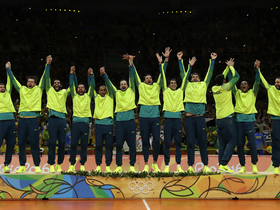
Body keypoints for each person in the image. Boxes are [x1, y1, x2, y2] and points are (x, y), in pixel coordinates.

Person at [130, 47, 171, 172]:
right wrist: (131, 63)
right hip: (143, 116)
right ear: (144, 80)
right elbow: (135, 75)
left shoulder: (157, 86)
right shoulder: (141, 86)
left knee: (157, 140)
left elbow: (162, 73)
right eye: (146, 78)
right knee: (145, 141)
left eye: (150, 77)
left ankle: (155, 163)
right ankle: (146, 163)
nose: (149, 79)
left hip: (155, 115)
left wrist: (165, 60)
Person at [7, 57, 49, 173]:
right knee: (21, 143)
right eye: (28, 81)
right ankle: (22, 165)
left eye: (32, 81)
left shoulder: (39, 90)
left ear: (35, 83)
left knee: (34, 143)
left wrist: (47, 65)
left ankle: (36, 166)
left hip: (33, 119)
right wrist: (9, 70)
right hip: (22, 120)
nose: (30, 83)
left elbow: (44, 77)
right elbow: (14, 80)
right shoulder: (22, 89)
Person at [179, 51, 217, 173]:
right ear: (190, 79)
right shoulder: (187, 85)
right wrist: (183, 62)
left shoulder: (203, 85)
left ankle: (205, 165)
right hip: (189, 118)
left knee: (202, 142)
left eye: (197, 76)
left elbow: (210, 74)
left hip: (201, 118)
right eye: (193, 77)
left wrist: (213, 61)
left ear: (200, 79)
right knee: (190, 142)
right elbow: (182, 74)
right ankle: (190, 166)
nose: (194, 77)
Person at [101, 58, 137, 172]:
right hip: (120, 122)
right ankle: (119, 166)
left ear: (127, 85)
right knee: (119, 145)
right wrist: (104, 75)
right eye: (121, 84)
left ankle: (132, 166)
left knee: (132, 145)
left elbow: (132, 77)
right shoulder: (116, 93)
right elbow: (109, 85)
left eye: (124, 84)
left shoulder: (132, 90)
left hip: (130, 121)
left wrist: (130, 64)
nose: (123, 85)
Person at [225, 60, 260, 174]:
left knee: (252, 144)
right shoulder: (237, 93)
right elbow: (231, 81)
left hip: (249, 122)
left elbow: (258, 82)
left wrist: (257, 70)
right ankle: (243, 166)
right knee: (239, 145)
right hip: (239, 122)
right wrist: (231, 68)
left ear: (249, 86)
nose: (243, 85)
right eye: (241, 84)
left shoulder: (253, 93)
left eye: (245, 84)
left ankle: (254, 165)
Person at [156, 51, 188, 173]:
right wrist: (163, 63)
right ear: (168, 85)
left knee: (179, 143)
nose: (173, 84)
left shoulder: (181, 91)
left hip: (178, 119)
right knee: (167, 144)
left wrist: (181, 61)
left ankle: (179, 164)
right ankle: (167, 164)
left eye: (175, 83)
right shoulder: (165, 91)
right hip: (168, 119)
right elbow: (162, 75)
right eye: (171, 83)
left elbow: (185, 77)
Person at [44, 57, 78, 173]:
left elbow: (72, 87)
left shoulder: (64, 92)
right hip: (52, 120)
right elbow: (47, 78)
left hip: (62, 120)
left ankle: (59, 164)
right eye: (55, 83)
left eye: (58, 83)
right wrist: (48, 65)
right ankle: (51, 164)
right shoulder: (49, 90)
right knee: (52, 142)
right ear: (52, 85)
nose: (57, 84)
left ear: (61, 85)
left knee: (62, 143)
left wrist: (71, 74)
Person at [212, 58, 240, 173]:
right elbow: (236, 77)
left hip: (219, 120)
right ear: (224, 81)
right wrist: (231, 67)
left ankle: (221, 167)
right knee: (233, 141)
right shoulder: (226, 87)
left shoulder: (214, 88)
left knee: (222, 144)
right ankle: (223, 163)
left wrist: (227, 67)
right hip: (228, 119)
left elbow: (220, 77)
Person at [67, 67, 95, 172]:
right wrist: (71, 74)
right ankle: (72, 164)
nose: (80, 89)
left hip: (85, 123)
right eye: (79, 87)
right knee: (73, 144)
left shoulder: (88, 96)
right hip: (75, 123)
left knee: (84, 145)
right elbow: (71, 85)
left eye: (82, 87)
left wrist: (91, 76)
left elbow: (93, 86)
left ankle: (82, 164)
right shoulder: (74, 96)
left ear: (85, 89)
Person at [258, 67, 280, 174]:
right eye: (276, 82)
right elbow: (263, 81)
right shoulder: (271, 89)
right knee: (276, 142)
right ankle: (276, 165)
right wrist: (258, 70)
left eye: (279, 82)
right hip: (276, 119)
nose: (277, 83)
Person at [94, 67, 114, 172]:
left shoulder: (110, 96)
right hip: (98, 124)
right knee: (98, 146)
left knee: (109, 146)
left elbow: (110, 86)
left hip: (108, 124)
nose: (103, 91)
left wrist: (104, 75)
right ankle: (98, 165)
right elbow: (91, 86)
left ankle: (108, 165)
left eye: (104, 90)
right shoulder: (96, 97)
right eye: (101, 90)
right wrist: (91, 76)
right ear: (98, 91)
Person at [0, 62, 16, 173]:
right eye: (0, 87)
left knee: (11, 144)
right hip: (1, 121)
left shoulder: (8, 93)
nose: (2, 88)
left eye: (3, 87)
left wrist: (8, 69)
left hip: (11, 120)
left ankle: (6, 165)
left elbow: (9, 81)